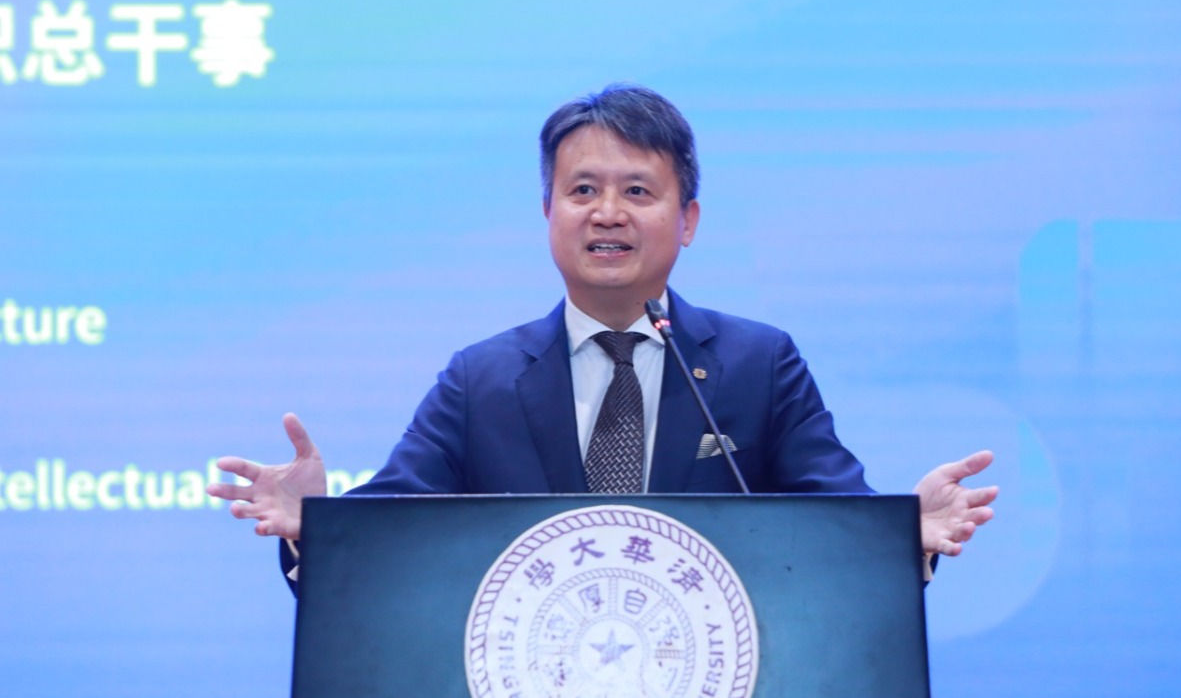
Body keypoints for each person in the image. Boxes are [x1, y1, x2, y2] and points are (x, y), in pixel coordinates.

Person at [206, 83, 997, 587]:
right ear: (547, 212)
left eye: (638, 192)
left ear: (687, 220)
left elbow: (836, 520)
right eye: (582, 189)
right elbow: (392, 534)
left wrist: (909, 537)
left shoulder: (758, 363)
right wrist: (317, 527)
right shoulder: (481, 379)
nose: (607, 212)